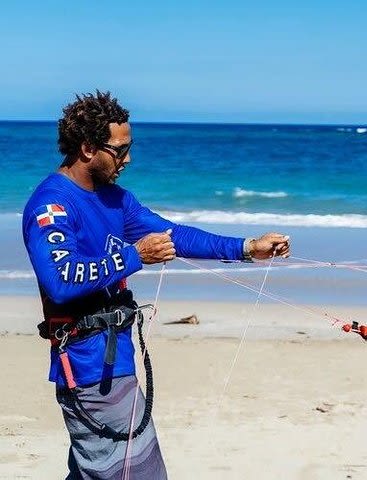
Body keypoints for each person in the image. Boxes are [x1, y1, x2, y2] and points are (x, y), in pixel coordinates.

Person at [22, 91, 290, 479]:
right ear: (86, 148)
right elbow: (61, 282)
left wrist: (249, 248)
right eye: (120, 150)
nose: (127, 159)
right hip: (86, 368)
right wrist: (135, 256)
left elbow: (174, 236)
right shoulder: (52, 205)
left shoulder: (114, 198)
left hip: (117, 359)